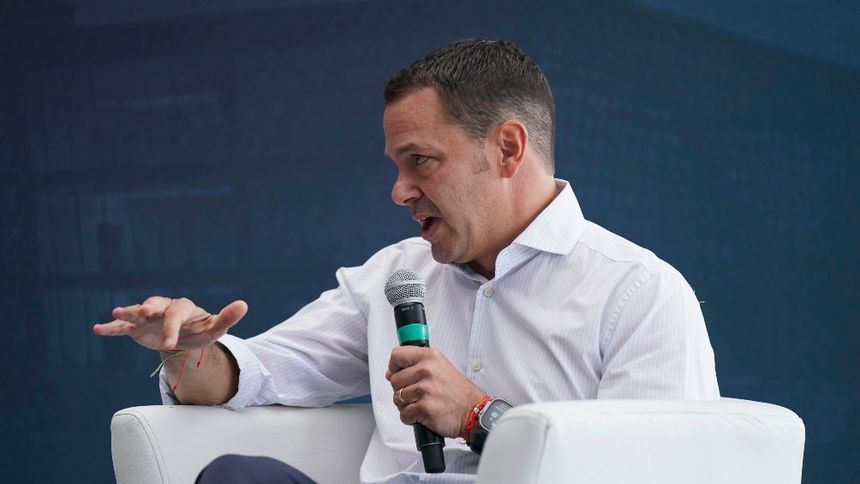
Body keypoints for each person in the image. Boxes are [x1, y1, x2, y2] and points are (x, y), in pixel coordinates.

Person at [93, 38, 719, 484]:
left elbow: (652, 471)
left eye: (420, 161)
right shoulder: (394, 278)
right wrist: (188, 351)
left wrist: (479, 417)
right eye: (396, 166)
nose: (399, 191)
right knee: (239, 475)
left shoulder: (639, 294)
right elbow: (260, 374)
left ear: (507, 148)